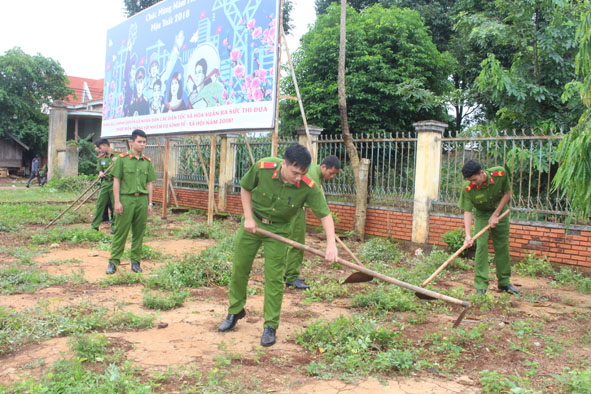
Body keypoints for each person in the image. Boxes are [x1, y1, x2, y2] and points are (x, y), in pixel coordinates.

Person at [218, 144, 338, 347]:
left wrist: (331, 244)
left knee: (273, 277)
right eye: (295, 173)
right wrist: (248, 217)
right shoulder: (263, 167)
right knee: (240, 268)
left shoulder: (308, 186)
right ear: (284, 164)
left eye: (303, 173)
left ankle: (270, 325)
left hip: (279, 231)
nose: (298, 178)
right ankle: (235, 311)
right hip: (252, 225)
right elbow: (246, 188)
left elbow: (325, 214)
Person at [458, 160, 519, 295]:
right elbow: (467, 211)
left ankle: (504, 283)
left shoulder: (500, 174)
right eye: (470, 181)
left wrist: (496, 215)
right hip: (482, 215)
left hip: (500, 211)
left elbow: (507, 194)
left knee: (502, 246)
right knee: (481, 246)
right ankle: (481, 285)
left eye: (474, 180)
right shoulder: (468, 189)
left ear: (481, 173)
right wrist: (468, 235)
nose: (473, 183)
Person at [284, 155, 341, 289]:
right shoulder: (312, 178)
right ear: (323, 167)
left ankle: (288, 273)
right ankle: (291, 277)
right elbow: (320, 209)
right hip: (294, 210)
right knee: (296, 243)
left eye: (335, 175)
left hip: (290, 207)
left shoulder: (313, 171)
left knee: (289, 242)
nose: (332, 176)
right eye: (331, 173)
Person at [107, 129, 156, 275]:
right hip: (126, 199)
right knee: (121, 232)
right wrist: (117, 202)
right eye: (139, 142)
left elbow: (149, 184)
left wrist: (150, 203)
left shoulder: (146, 162)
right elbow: (116, 180)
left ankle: (135, 262)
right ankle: (113, 261)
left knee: (139, 233)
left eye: (144, 142)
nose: (142, 145)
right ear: (131, 142)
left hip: (141, 200)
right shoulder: (122, 160)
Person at [91, 139, 120, 233]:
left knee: (115, 204)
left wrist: (118, 161)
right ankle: (95, 226)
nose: (100, 150)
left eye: (100, 148)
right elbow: (100, 169)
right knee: (100, 204)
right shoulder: (101, 157)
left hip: (115, 182)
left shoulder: (118, 155)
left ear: (105, 145)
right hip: (105, 183)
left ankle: (115, 227)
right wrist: (100, 172)